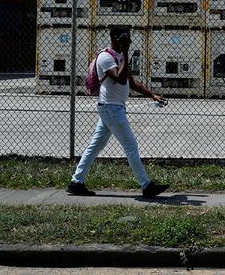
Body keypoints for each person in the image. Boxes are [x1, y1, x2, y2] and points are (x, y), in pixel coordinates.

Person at [67, 26, 169, 198]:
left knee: (95, 146)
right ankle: (146, 185)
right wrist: (126, 53)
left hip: (112, 108)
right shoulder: (106, 57)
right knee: (130, 145)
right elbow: (120, 79)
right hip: (111, 108)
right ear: (115, 37)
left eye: (129, 36)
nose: (128, 39)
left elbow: (131, 82)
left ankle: (76, 182)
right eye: (125, 36)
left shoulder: (119, 56)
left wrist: (152, 95)